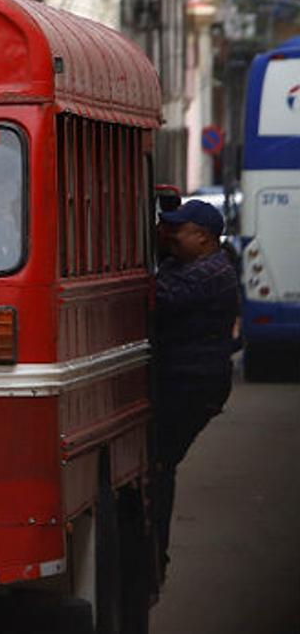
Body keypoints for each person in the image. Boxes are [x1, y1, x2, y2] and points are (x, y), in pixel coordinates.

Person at [151, 200, 239, 583]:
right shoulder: (191, 265)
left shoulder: (210, 274)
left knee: (159, 463)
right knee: (158, 461)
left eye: (178, 230)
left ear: (202, 238)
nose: (171, 236)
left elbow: (157, 298)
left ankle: (156, 555)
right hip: (184, 379)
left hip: (193, 383)